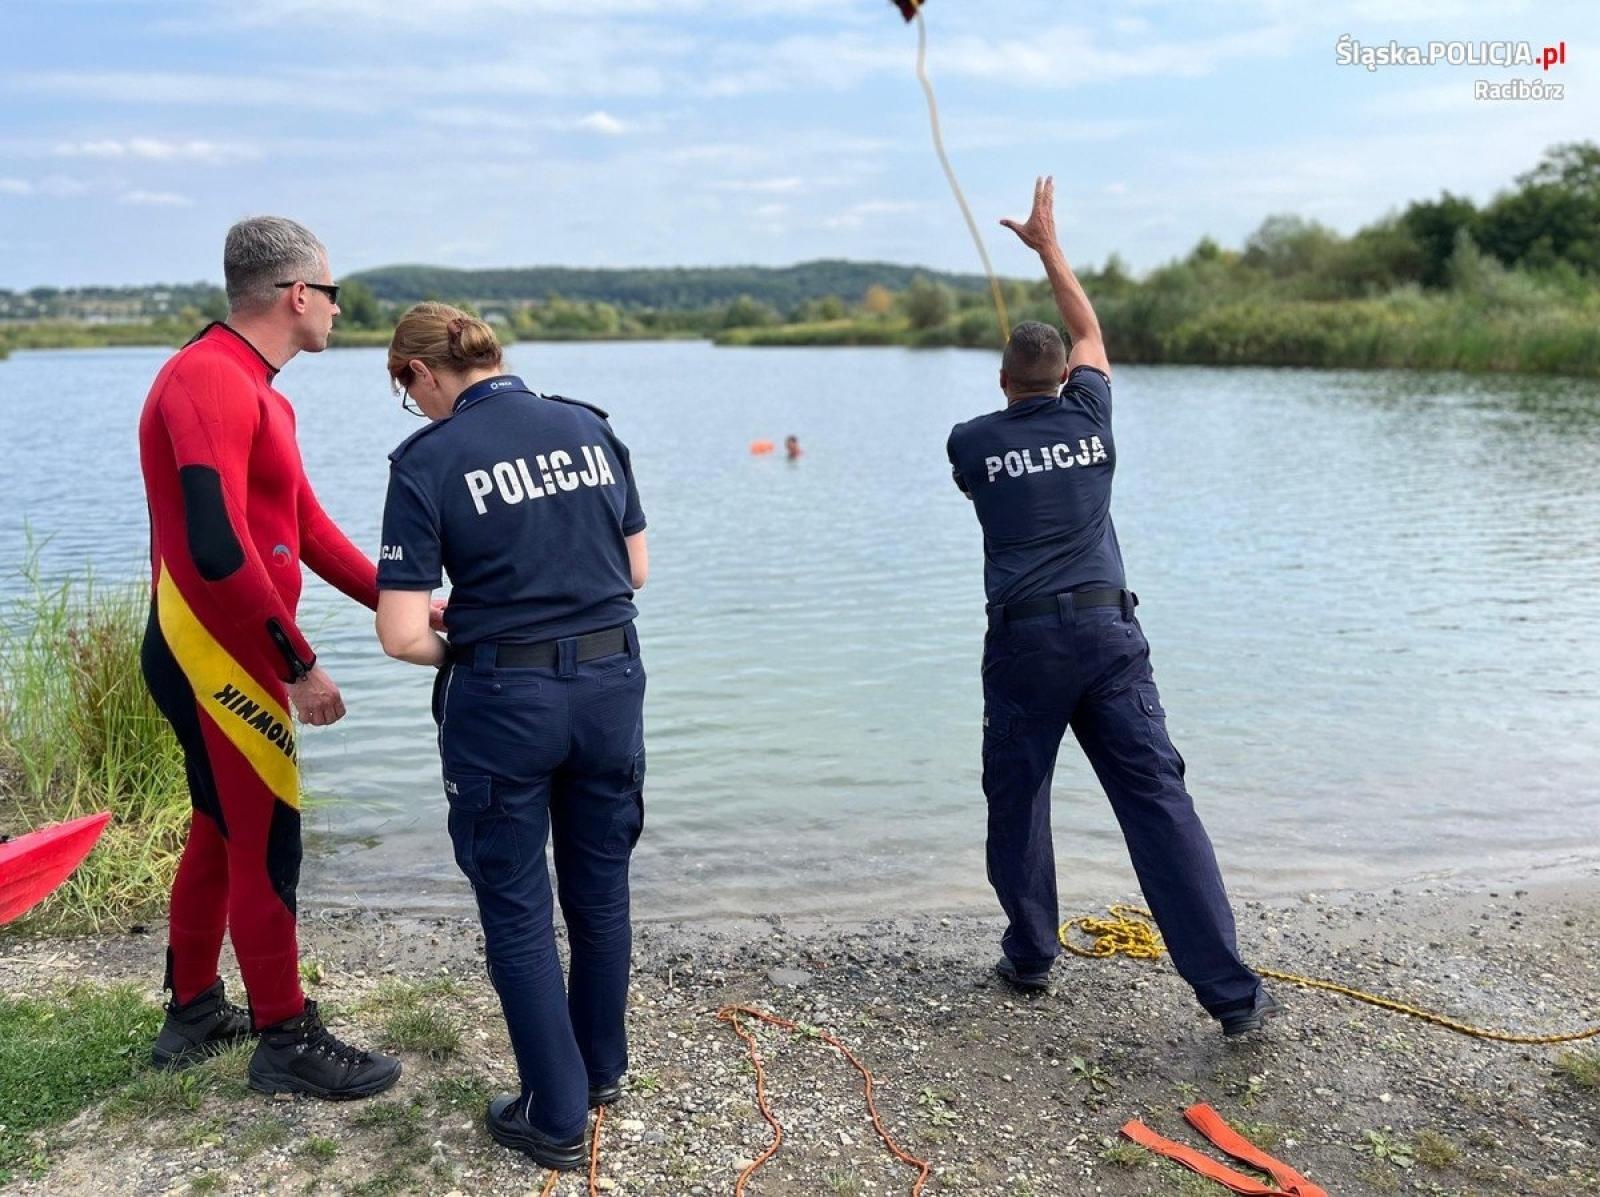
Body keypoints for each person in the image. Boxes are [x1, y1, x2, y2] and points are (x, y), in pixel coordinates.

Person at [945, 178, 1279, 1036]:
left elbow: (996, 449)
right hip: (1109, 633)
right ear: (1067, 377)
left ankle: (1030, 955)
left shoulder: (973, 441)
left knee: (1018, 799)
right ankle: (1231, 997)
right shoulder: (1095, 416)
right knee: (1158, 804)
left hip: (1026, 646)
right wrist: (1049, 247)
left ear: (1002, 379)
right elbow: (1090, 329)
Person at [374, 304, 649, 1171]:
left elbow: (400, 632)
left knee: (518, 903)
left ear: (422, 374)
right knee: (600, 888)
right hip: (611, 681)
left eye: (404, 391)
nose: (411, 409)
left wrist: (479, 640)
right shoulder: (587, 426)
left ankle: (555, 1113)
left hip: (505, 700)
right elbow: (635, 568)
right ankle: (600, 1069)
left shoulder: (429, 459)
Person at [139, 216, 402, 1095]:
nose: (337, 310)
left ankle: (194, 1009)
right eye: (332, 294)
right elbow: (214, 548)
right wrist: (294, 662)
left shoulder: (258, 389)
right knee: (268, 838)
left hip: (228, 648)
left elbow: (307, 531)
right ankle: (286, 1037)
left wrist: (403, 600)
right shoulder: (206, 381)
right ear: (298, 295)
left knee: (221, 827)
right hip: (215, 652)